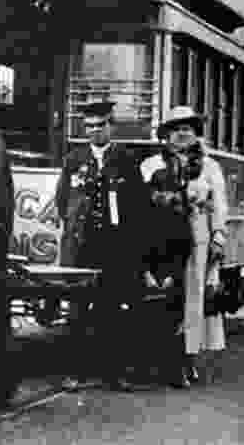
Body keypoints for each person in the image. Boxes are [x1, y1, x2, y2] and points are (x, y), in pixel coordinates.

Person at [55, 100, 146, 391]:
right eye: (90, 126)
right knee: (77, 312)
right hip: (80, 247)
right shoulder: (74, 159)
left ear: (111, 126)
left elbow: (137, 204)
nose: (95, 131)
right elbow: (62, 202)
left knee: (111, 312)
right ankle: (74, 373)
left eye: (101, 125)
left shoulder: (126, 159)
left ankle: (113, 374)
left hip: (113, 248)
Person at [139, 106, 228, 387]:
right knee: (166, 298)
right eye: (176, 129)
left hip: (198, 238)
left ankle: (187, 360)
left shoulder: (210, 166)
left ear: (196, 133)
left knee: (193, 299)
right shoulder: (152, 164)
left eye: (188, 128)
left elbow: (220, 203)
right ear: (166, 135)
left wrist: (218, 235)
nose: (182, 133)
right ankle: (163, 360)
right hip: (163, 238)